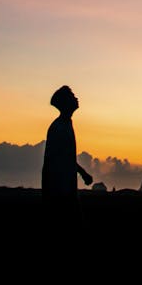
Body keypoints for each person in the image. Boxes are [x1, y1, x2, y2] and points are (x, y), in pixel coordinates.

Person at [41, 85, 93, 217]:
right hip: (59, 189)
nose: (76, 98)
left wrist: (83, 173)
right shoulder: (59, 127)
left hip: (64, 187)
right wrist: (83, 173)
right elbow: (61, 159)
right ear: (66, 103)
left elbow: (66, 158)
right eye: (72, 96)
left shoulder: (65, 124)